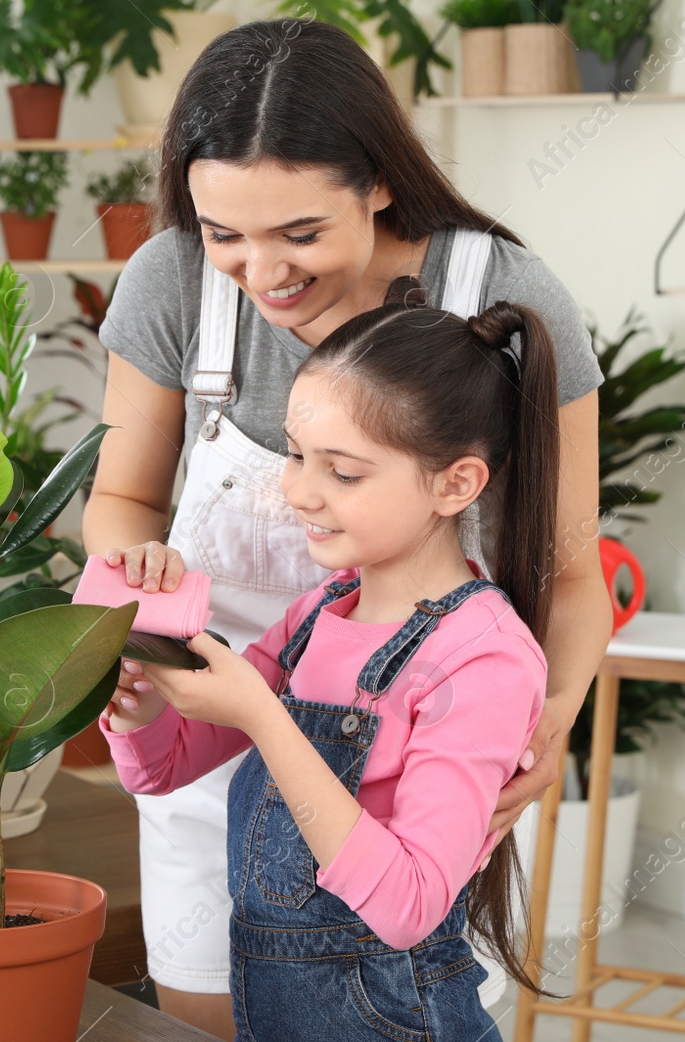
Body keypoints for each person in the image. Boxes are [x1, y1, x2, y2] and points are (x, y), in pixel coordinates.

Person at [81, 18, 613, 1037]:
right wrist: (131, 606)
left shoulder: (500, 295)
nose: (259, 273)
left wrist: (545, 726)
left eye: (299, 234)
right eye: (222, 232)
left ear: (376, 181)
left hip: (424, 749)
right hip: (220, 718)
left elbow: (570, 570)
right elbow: (124, 499)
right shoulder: (173, 278)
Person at [99, 298, 566, 1041]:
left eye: (342, 472)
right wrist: (142, 701)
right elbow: (162, 770)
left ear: (456, 484)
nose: (298, 492)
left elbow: (410, 906)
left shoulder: (482, 659)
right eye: (294, 453)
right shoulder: (318, 614)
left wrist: (262, 715)